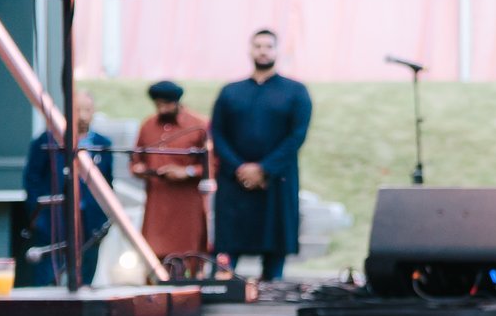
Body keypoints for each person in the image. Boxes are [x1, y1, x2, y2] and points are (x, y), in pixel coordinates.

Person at [211, 30, 312, 281]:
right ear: (250, 50)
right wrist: (240, 168)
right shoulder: (230, 92)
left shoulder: (296, 92)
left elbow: (296, 136)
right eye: (258, 46)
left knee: (274, 246)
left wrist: (264, 168)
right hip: (235, 182)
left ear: (277, 51)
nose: (263, 50)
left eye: (268, 46)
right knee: (227, 255)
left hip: (275, 181)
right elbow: (218, 133)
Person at [20, 89, 113, 285]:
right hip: (54, 218)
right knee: (48, 275)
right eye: (78, 110)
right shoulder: (46, 141)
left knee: (86, 275)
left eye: (88, 109)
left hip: (89, 221)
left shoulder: (103, 144)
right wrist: (39, 217)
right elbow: (32, 179)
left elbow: (107, 184)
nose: (84, 116)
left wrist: (103, 218)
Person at [130, 80, 213, 269]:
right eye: (158, 105)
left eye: (166, 104)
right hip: (157, 204)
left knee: (188, 254)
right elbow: (136, 159)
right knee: (154, 255)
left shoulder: (199, 125)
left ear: (177, 103)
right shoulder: (148, 125)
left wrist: (187, 172)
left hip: (187, 204)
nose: (162, 109)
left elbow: (213, 164)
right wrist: (140, 169)